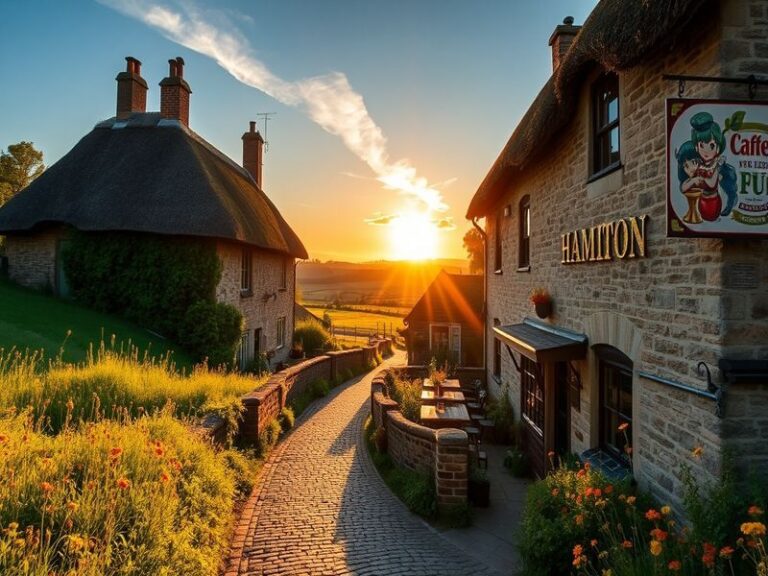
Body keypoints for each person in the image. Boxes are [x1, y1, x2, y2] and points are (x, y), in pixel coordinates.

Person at [689, 111, 738, 221]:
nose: (706, 150)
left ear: (718, 148)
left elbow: (711, 183)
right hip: (702, 202)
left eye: (711, 146)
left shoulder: (718, 166)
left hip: (714, 202)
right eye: (701, 145)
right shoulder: (699, 164)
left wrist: (717, 166)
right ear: (696, 147)